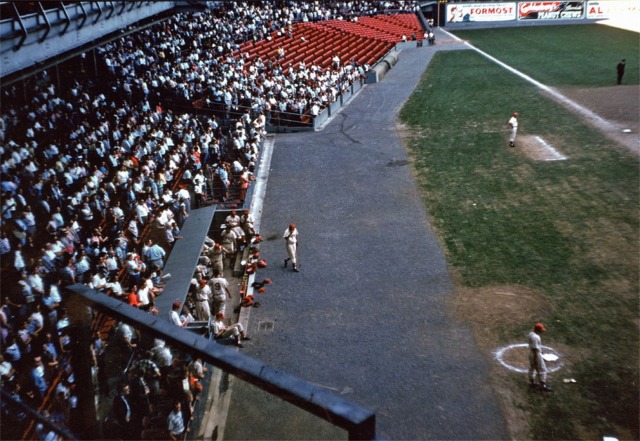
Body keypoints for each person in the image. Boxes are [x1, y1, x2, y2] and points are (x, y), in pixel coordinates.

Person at [528, 323, 552, 392]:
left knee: (532, 368)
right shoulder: (536, 337)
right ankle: (543, 386)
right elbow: (535, 349)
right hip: (536, 354)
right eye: (541, 330)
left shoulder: (531, 334)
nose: (542, 331)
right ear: (538, 330)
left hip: (531, 353)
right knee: (543, 369)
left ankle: (532, 383)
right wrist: (536, 358)